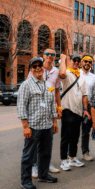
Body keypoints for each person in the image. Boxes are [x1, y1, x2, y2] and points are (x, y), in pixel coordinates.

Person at [18, 57, 59, 189]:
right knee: (29, 155)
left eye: (39, 65)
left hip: (47, 125)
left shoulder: (48, 85)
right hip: (33, 126)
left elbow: (52, 104)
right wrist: (25, 126)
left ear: (43, 67)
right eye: (34, 66)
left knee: (45, 153)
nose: (37, 68)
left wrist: (54, 121)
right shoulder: (26, 85)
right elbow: (21, 107)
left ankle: (43, 174)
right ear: (31, 69)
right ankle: (25, 180)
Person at [27, 48, 61, 178]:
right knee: (35, 139)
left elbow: (57, 91)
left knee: (48, 140)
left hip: (49, 109)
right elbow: (29, 86)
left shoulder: (56, 71)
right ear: (43, 55)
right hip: (36, 110)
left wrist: (59, 108)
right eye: (47, 54)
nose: (50, 56)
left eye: (53, 55)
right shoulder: (36, 68)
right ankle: (34, 166)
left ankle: (46, 165)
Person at [59, 53, 91, 171]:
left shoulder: (81, 77)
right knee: (65, 137)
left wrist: (85, 109)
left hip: (78, 111)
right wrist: (63, 59)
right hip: (67, 109)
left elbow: (84, 95)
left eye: (78, 60)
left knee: (75, 137)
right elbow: (61, 74)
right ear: (70, 61)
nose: (76, 62)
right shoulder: (66, 73)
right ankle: (63, 160)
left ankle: (72, 158)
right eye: (74, 60)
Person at [80, 54, 95, 161]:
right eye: (85, 61)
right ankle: (70, 154)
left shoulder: (93, 77)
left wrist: (93, 100)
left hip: (89, 106)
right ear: (82, 62)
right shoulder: (76, 74)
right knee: (73, 131)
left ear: (91, 64)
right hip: (77, 105)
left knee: (86, 131)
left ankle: (85, 152)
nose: (87, 63)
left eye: (89, 62)